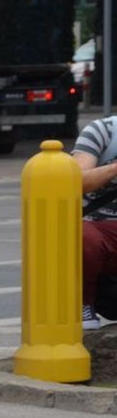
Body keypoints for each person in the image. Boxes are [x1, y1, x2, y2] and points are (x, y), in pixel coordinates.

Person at [68, 116, 117, 329]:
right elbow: (75, 181)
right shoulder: (103, 131)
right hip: (98, 226)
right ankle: (82, 304)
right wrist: (114, 169)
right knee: (81, 236)